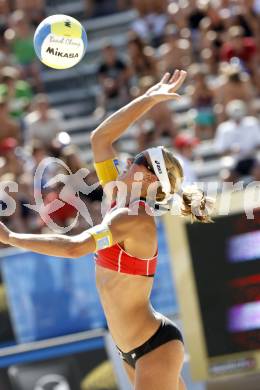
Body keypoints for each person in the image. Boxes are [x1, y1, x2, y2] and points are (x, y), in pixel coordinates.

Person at [0, 71, 214, 390]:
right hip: (133, 349)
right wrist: (147, 99)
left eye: (139, 160)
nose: (129, 160)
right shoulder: (117, 195)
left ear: (149, 180)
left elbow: (74, 248)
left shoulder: (134, 218)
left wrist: (12, 238)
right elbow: (100, 138)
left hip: (155, 346)